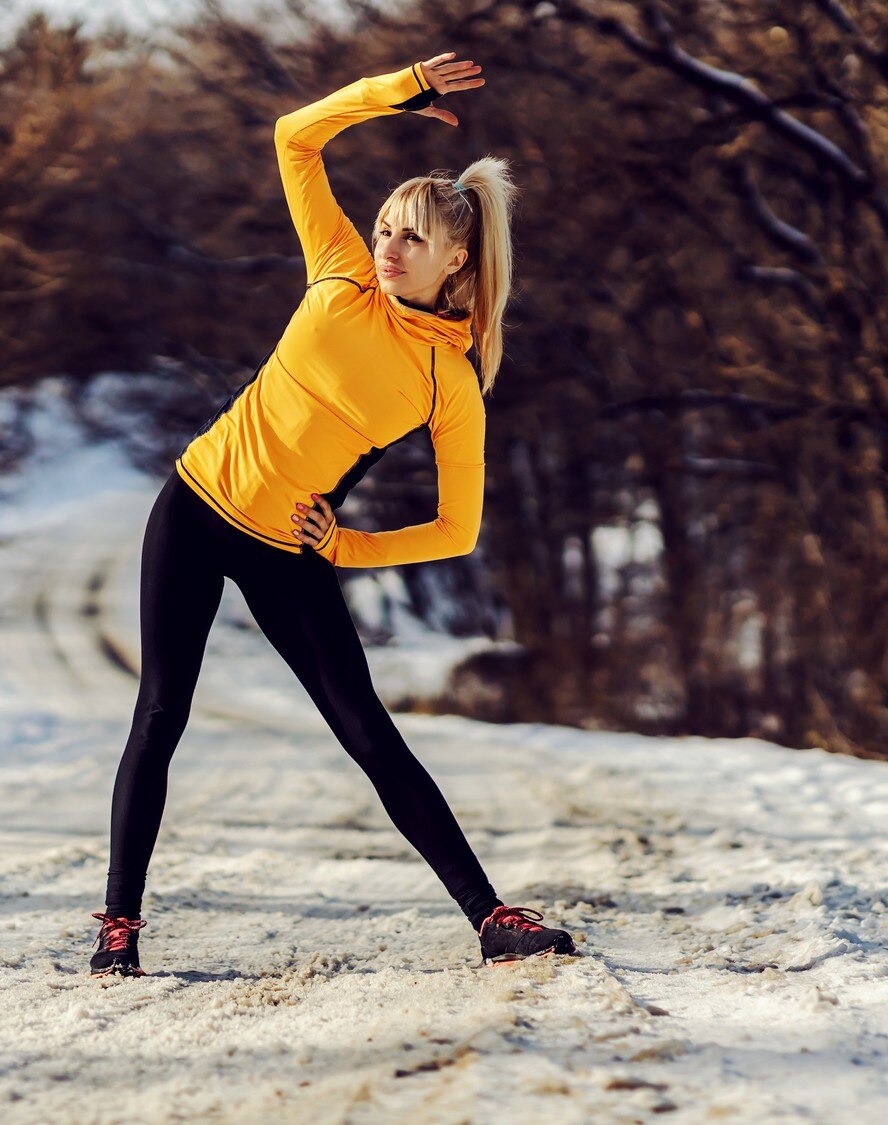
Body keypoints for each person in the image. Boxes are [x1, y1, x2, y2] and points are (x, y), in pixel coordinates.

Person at [90, 52, 578, 976]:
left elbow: (455, 530)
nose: (388, 245)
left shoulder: (452, 379)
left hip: (291, 550)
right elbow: (294, 137)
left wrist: (347, 545)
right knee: (160, 710)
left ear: (457, 259)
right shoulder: (342, 274)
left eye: (412, 238)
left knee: (367, 730)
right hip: (196, 505)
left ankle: (491, 918)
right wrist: (396, 90)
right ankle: (118, 926)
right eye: (387, 226)